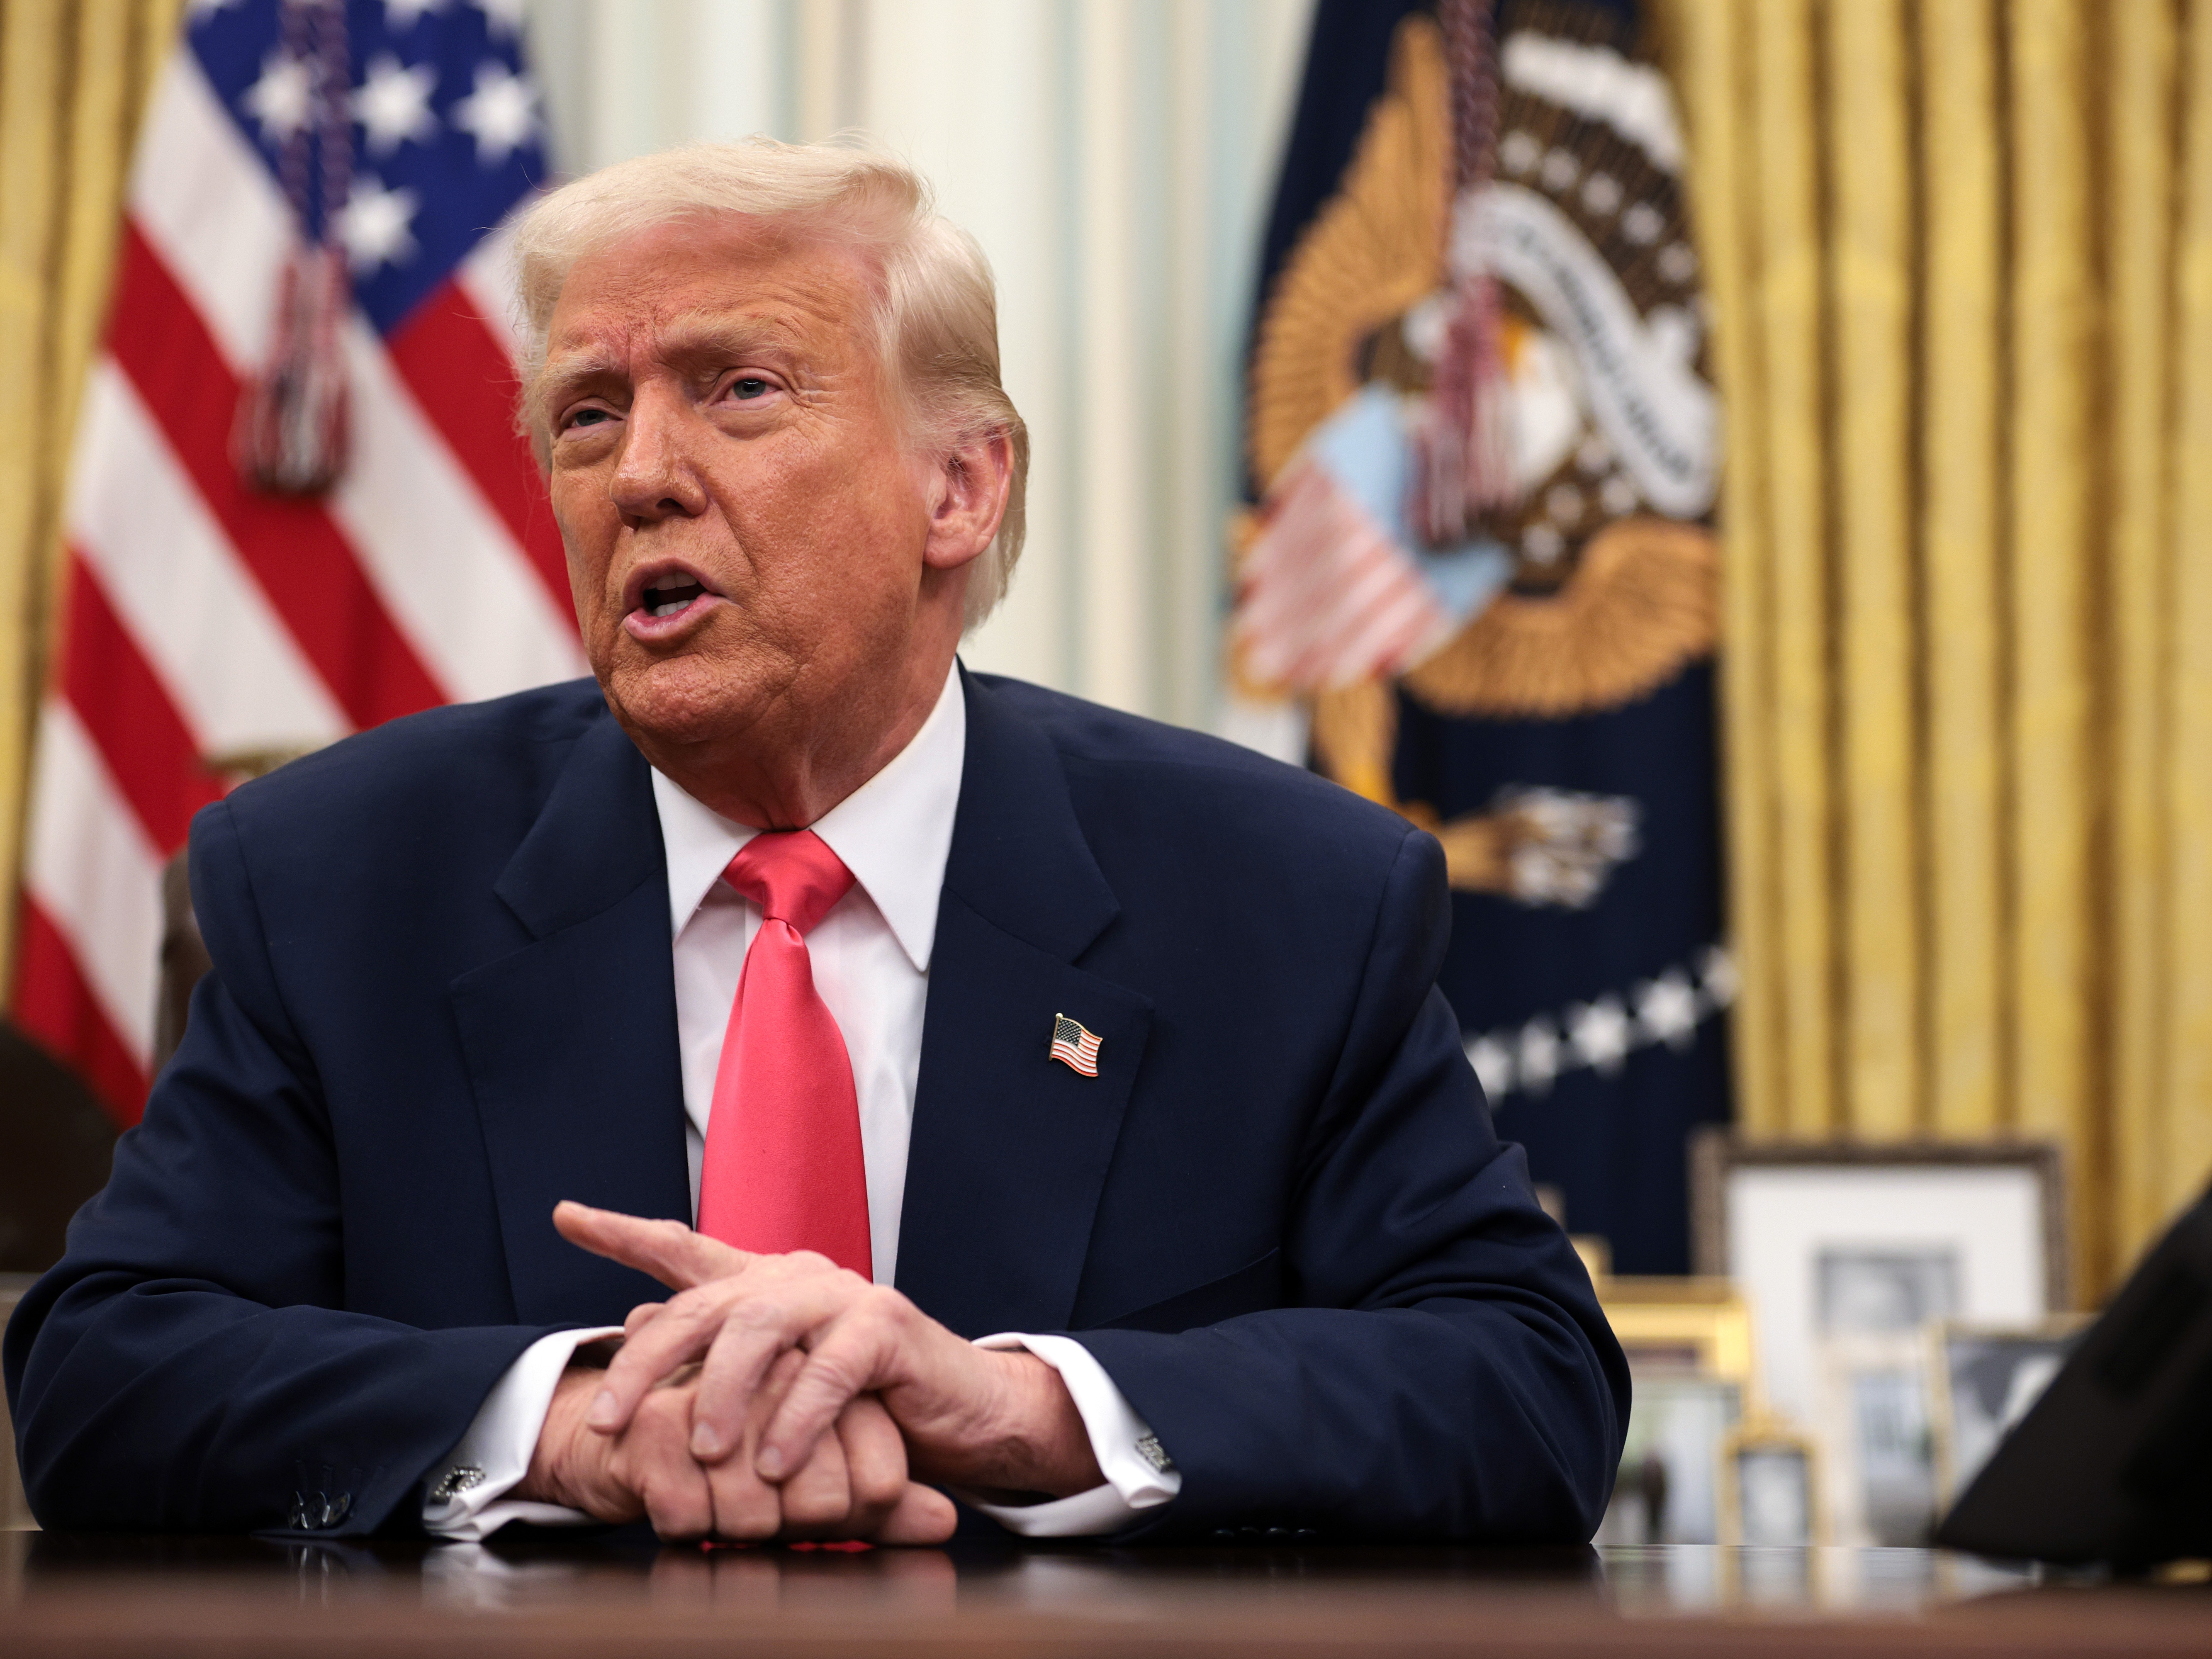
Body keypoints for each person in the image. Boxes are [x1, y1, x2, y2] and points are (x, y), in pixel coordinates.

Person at [3, 141, 1627, 1545]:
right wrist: (561, 1428)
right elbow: (106, 1373)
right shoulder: (336, 879)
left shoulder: (1282, 896)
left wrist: (1016, 1408)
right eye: (584, 415)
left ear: (959, 489)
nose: (640, 474)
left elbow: (1522, 1381)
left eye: (740, 391)